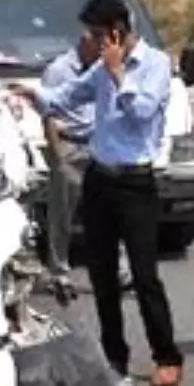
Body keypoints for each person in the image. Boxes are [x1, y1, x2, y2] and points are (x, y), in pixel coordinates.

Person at [11, 0, 184, 386]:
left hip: (136, 181)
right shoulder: (99, 69)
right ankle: (114, 358)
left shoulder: (155, 65)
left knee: (144, 276)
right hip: (100, 178)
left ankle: (167, 356)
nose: (89, 42)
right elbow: (66, 97)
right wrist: (32, 96)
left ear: (117, 32)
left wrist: (118, 73)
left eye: (96, 35)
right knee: (102, 275)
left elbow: (142, 113)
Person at [40, 30, 131, 291]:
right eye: (99, 43)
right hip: (68, 144)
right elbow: (48, 114)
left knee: (112, 209)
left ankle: (119, 270)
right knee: (63, 213)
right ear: (84, 40)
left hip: (99, 145)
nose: (104, 48)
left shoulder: (105, 68)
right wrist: (58, 157)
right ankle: (59, 271)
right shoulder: (58, 70)